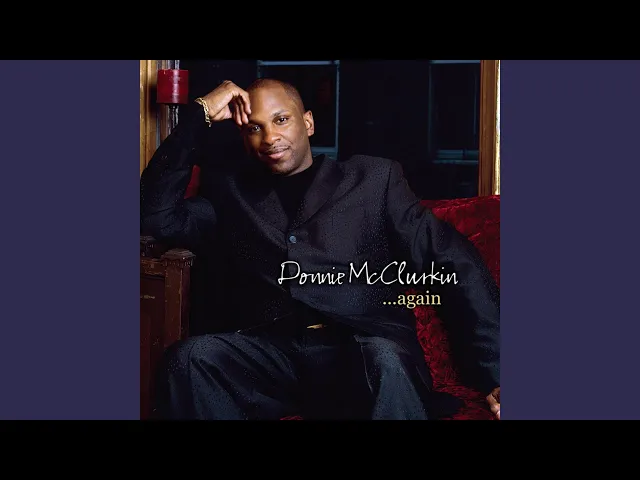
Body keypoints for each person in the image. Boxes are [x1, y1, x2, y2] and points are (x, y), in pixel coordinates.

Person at [140, 78, 501, 420]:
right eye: (254, 127)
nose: (270, 137)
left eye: (281, 120)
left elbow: (453, 260)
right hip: (272, 360)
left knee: (385, 357)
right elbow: (154, 216)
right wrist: (200, 113)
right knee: (190, 358)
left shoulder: (374, 181)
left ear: (308, 123)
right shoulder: (229, 193)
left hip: (359, 356)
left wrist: (498, 371)